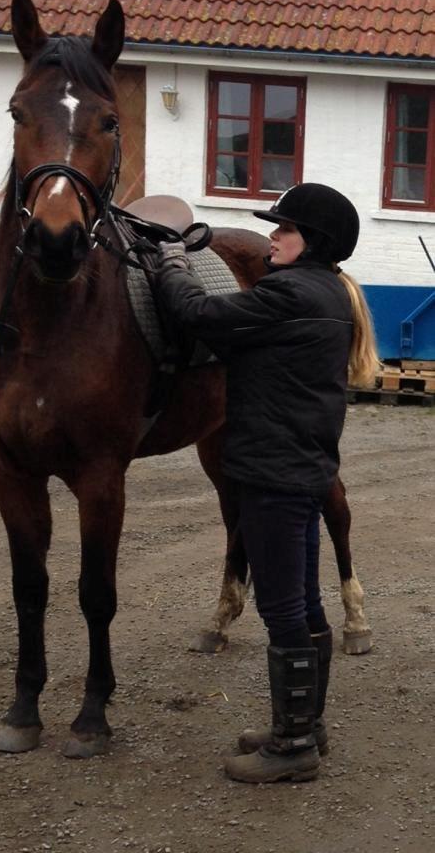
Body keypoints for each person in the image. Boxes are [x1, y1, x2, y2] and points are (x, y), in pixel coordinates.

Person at [156, 183, 379, 784]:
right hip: (301, 471)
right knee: (304, 600)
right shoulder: (328, 290)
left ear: (315, 242)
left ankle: (292, 746)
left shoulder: (289, 292)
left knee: (281, 609)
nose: (273, 236)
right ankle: (307, 723)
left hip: (272, 475)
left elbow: (199, 315)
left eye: (285, 229)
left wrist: (173, 259)